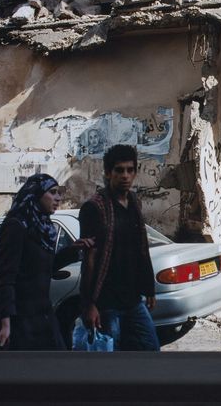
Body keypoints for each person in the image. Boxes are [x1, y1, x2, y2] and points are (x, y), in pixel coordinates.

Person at [0, 173, 93, 350]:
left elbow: (45, 268)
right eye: (52, 192)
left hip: (42, 315)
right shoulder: (16, 225)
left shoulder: (43, 228)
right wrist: (5, 323)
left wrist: (73, 250)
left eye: (59, 193)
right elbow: (6, 278)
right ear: (36, 194)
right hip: (19, 319)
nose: (58, 198)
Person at [79, 144, 160, 351]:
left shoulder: (133, 202)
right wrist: (89, 304)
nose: (125, 176)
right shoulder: (94, 207)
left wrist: (149, 286)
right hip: (106, 304)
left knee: (151, 351)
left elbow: (142, 247)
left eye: (130, 170)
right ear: (108, 173)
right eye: (119, 170)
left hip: (133, 300)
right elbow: (89, 260)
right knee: (112, 365)